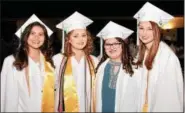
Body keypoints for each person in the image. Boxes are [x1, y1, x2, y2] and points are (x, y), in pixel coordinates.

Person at [133, 2, 183, 112]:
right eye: (141, 28)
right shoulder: (140, 54)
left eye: (149, 29)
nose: (144, 33)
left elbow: (171, 96)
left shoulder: (167, 57)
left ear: (157, 30)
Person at [1, 14, 55, 112]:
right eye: (32, 33)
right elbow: (7, 96)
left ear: (45, 38)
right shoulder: (11, 61)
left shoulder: (49, 62)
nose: (36, 38)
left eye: (40, 34)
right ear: (25, 35)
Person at [53, 11, 99, 112]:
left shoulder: (94, 61)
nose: (80, 39)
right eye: (75, 36)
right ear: (68, 39)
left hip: (87, 108)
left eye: (84, 35)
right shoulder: (58, 60)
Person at [95, 21, 140, 112]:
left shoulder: (135, 69)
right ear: (104, 47)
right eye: (108, 44)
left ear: (123, 45)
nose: (112, 47)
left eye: (116, 43)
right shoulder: (100, 67)